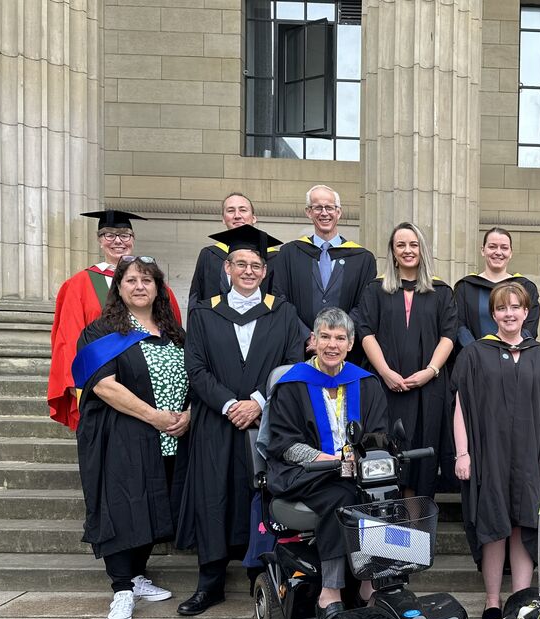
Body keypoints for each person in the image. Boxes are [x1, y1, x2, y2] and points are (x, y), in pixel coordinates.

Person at [175, 225, 307, 616]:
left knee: (260, 496)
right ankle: (210, 582)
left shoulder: (283, 312)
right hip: (217, 421)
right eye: (241, 264)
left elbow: (293, 363)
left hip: (264, 422)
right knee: (212, 495)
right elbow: (195, 369)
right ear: (227, 268)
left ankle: (260, 577)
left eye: (256, 265)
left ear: (265, 271)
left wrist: (258, 402)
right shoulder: (203, 312)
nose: (249, 271)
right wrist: (230, 403)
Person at [70, 256, 189, 619]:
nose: (140, 286)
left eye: (148, 280)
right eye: (132, 280)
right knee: (122, 503)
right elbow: (105, 385)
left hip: (168, 436)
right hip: (121, 432)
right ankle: (121, 589)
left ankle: (137, 576)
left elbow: (193, 378)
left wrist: (187, 414)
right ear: (118, 287)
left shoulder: (174, 333)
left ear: (159, 288)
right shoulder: (101, 331)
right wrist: (154, 416)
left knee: (152, 503)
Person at [263, 307, 388, 619]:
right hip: (304, 474)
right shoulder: (292, 385)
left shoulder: (367, 384)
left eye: (340, 338)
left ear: (351, 343)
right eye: (325, 337)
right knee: (343, 498)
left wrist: (358, 460)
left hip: (354, 473)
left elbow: (377, 435)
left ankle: (372, 581)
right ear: (312, 341)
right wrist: (331, 461)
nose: (332, 344)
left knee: (378, 497)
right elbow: (284, 445)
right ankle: (331, 591)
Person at [451, 282, 540, 619]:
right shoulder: (475, 353)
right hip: (489, 454)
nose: (509, 314)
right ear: (493, 314)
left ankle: (523, 601)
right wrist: (462, 453)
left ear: (526, 313)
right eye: (502, 308)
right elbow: (461, 406)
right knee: (494, 525)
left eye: (515, 307)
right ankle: (492, 600)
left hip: (530, 454)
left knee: (523, 525)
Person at [48, 210, 182, 430]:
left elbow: (173, 332)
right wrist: (76, 386)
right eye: (109, 235)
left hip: (152, 388)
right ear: (99, 240)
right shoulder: (79, 284)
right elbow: (68, 338)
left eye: (125, 235)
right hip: (104, 386)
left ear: (133, 239)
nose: (118, 241)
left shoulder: (157, 287)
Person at [353, 222, 456, 499]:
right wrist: (385, 372)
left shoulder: (440, 292)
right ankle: (386, 533)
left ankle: (416, 534)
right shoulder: (376, 290)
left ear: (422, 249)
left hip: (427, 390)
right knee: (385, 457)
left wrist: (431, 371)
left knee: (420, 463)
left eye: (413, 244)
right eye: (401, 245)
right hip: (386, 389)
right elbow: (365, 332)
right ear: (392, 251)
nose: (408, 250)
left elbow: (448, 336)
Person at [270, 185, 376, 345]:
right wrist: (307, 337)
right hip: (300, 347)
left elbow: (364, 305)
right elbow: (281, 299)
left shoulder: (362, 258)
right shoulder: (288, 254)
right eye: (318, 208)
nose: (324, 213)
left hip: (345, 349)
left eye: (329, 207)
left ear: (339, 212)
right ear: (308, 212)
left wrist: (338, 337)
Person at [453, 227, 540, 346]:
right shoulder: (465, 287)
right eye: (492, 247)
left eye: (504, 248)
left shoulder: (526, 287)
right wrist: (476, 352)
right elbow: (459, 327)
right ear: (483, 250)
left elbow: (530, 327)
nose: (498, 252)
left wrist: (513, 350)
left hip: (515, 357)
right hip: (475, 358)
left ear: (511, 253)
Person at [188, 192, 275, 306]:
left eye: (243, 210)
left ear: (254, 218)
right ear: (223, 219)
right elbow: (196, 297)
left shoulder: (275, 257)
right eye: (230, 210)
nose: (237, 215)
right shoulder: (209, 255)